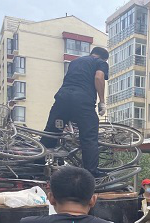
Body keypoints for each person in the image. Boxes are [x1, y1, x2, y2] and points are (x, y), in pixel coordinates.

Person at [39, 47, 110, 178]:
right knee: (89, 137)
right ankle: (91, 172)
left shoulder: (75, 62)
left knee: (51, 132)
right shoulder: (100, 62)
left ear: (91, 54)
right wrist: (102, 101)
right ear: (104, 58)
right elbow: (99, 78)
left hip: (62, 98)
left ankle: (37, 165)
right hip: (82, 100)